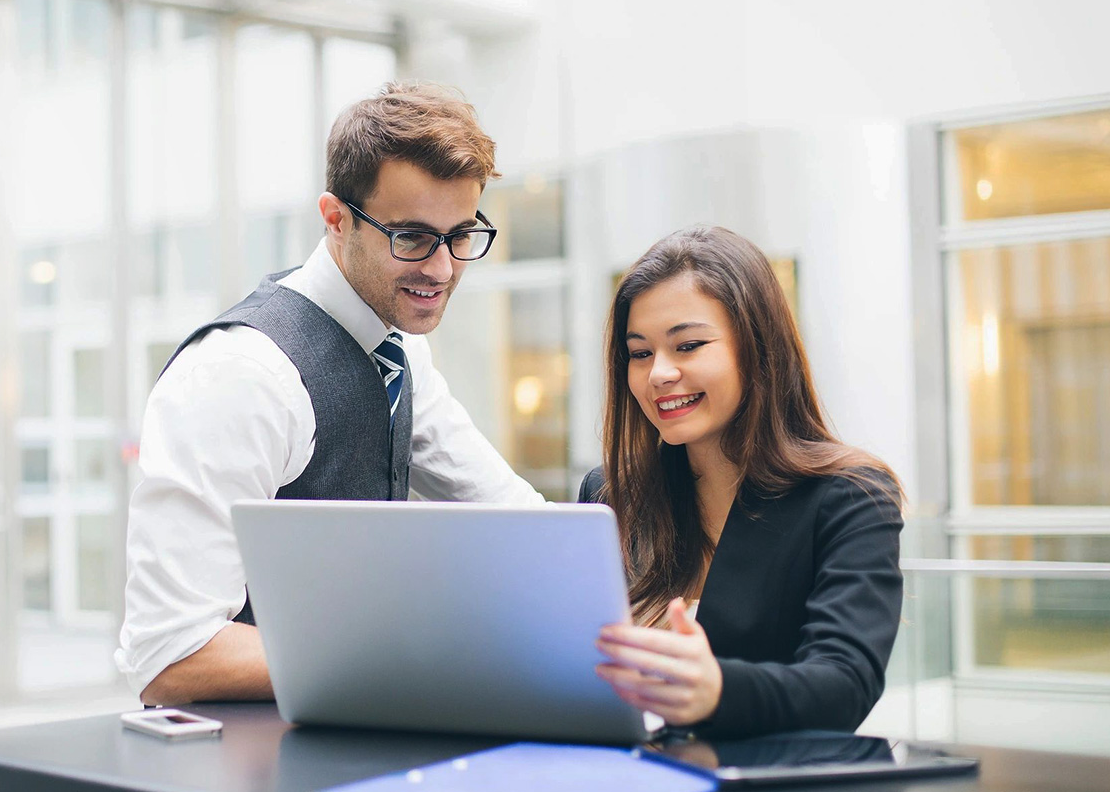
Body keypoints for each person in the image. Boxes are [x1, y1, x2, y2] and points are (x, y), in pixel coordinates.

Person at [116, 82, 545, 707]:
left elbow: (512, 516)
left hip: (345, 742)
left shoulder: (399, 350)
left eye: (461, 236)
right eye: (413, 238)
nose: (445, 269)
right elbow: (170, 653)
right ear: (336, 219)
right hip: (242, 770)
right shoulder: (242, 374)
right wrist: (417, 652)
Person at [580, 225, 904, 738]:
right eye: (639, 353)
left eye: (687, 346)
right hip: (630, 784)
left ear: (756, 348)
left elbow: (846, 684)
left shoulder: (850, 496)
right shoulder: (610, 493)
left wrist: (718, 691)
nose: (658, 373)